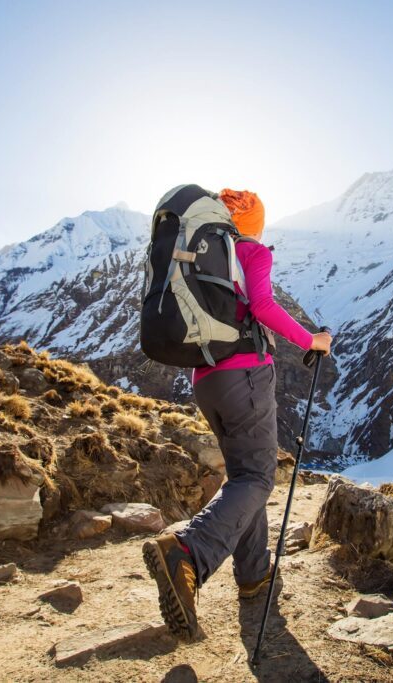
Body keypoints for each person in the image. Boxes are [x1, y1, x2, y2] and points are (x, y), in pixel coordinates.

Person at [142, 188, 332, 638]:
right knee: (257, 478)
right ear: (254, 223)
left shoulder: (206, 254)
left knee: (244, 475)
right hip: (245, 377)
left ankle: (253, 576)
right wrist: (312, 341)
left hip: (206, 381)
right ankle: (190, 551)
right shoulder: (251, 251)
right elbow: (263, 307)